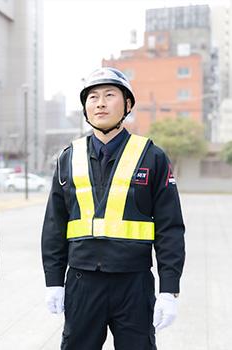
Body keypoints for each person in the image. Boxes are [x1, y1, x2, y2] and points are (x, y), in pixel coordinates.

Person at [41, 67, 185, 350]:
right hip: (82, 283)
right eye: (92, 97)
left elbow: (170, 228)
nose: (100, 103)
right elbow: (54, 225)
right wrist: (53, 280)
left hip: (133, 283)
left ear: (128, 104)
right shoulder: (69, 157)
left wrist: (169, 289)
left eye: (110, 95)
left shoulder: (151, 156)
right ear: (85, 108)